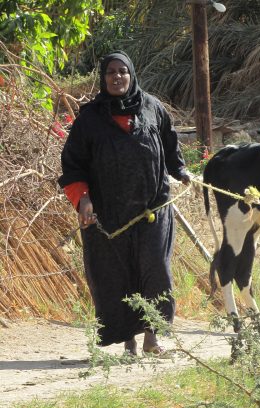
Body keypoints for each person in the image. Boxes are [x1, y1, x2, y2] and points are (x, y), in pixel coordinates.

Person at [59, 50, 190, 355]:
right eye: (110, 73)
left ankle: (152, 337)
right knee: (116, 276)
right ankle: (128, 340)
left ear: (131, 75)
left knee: (155, 268)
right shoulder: (89, 119)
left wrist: (180, 171)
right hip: (108, 214)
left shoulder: (152, 108)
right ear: (103, 79)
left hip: (152, 209)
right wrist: (84, 201)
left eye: (122, 72)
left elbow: (170, 145)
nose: (117, 77)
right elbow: (73, 165)